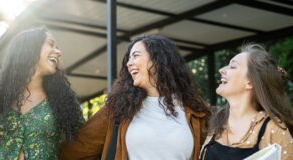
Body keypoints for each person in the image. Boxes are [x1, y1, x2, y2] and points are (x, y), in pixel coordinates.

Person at [60, 35, 210, 160]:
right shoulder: (118, 109)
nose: (129, 63)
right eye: (129, 58)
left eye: (135, 56)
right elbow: (74, 151)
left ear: (159, 60)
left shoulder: (196, 112)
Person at [0, 28, 85, 159]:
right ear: (30, 48)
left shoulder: (64, 101)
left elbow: (84, 144)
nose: (59, 52)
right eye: (51, 44)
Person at [200, 44, 293, 160]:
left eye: (232, 66)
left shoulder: (273, 128)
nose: (221, 70)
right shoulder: (217, 123)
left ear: (250, 83)